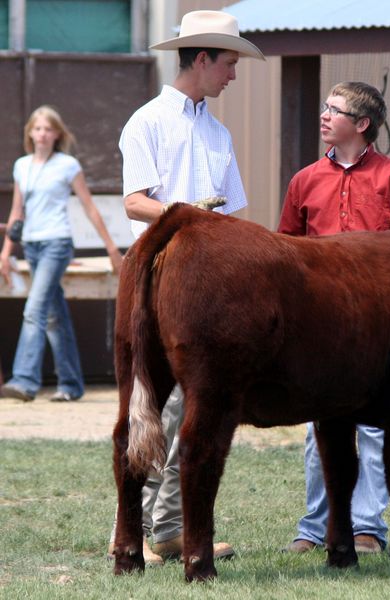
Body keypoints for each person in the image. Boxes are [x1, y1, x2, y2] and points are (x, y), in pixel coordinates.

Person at [106, 10, 265, 565]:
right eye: (229, 63)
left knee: (195, 408)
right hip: (156, 274)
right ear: (202, 59)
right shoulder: (147, 121)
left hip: (209, 285)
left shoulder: (218, 132)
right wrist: (187, 215)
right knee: (149, 404)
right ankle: (131, 528)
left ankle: (168, 528)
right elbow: (133, 201)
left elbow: (237, 213)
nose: (234, 75)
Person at [278, 81, 390, 554]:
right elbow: (287, 246)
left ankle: (367, 529)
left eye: (334, 110)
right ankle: (314, 528)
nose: (324, 116)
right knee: (316, 429)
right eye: (323, 107)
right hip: (319, 325)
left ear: (362, 125)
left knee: (375, 430)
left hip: (376, 327)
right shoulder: (303, 180)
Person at [0, 105, 123, 403]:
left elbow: (89, 207)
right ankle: (71, 384)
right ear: (30, 132)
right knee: (55, 317)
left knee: (34, 309)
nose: (42, 134)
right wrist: (6, 252)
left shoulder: (67, 165)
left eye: (48, 129)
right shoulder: (22, 166)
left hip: (57, 244)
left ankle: (24, 382)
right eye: (38, 128)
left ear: (57, 134)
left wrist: (111, 248)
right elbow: (17, 212)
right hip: (31, 245)